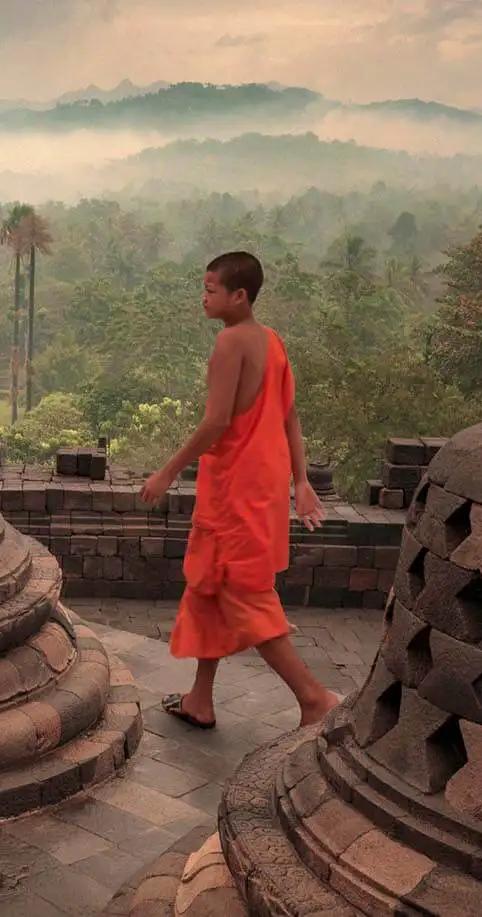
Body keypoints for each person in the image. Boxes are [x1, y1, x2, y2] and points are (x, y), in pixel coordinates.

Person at [137, 251, 339, 729]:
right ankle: (199, 699)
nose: (203, 298)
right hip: (259, 483)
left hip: (236, 488)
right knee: (209, 584)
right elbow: (289, 415)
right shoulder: (271, 341)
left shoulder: (231, 343)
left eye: (210, 290)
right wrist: (301, 481)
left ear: (239, 295)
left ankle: (312, 698)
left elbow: (216, 423)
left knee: (245, 594)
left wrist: (167, 471)